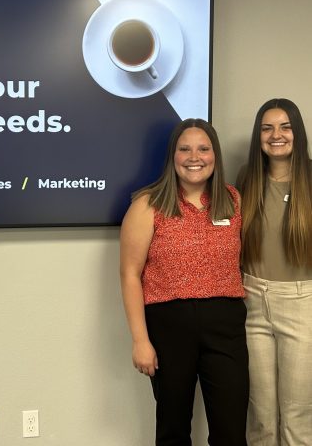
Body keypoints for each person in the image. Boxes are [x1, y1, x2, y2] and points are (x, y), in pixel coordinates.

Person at [120, 118, 248, 446]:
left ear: (215, 156)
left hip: (226, 324)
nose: (195, 156)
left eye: (204, 149)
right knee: (173, 429)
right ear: (173, 157)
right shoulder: (148, 205)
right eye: (185, 149)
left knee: (231, 430)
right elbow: (130, 275)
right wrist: (140, 341)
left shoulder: (232, 201)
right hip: (168, 327)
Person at [237, 98, 312, 446]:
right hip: (252, 303)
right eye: (267, 128)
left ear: (297, 132)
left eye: (285, 126)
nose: (276, 135)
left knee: (297, 417)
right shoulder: (245, 179)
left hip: (302, 303)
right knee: (262, 418)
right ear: (258, 135)